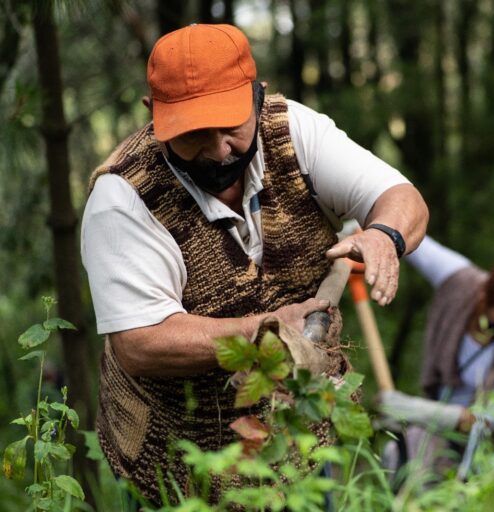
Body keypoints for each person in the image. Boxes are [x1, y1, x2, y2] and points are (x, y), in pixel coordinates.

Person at [81, 23, 427, 504]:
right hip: (171, 464)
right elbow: (141, 342)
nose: (219, 147)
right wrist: (264, 328)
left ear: (257, 96)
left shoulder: (296, 132)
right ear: (154, 116)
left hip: (299, 443)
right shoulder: (122, 199)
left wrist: (385, 234)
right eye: (194, 134)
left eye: (231, 125)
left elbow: (400, 197)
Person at [379, 235, 494, 472]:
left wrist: (412, 409)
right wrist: (366, 230)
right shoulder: (460, 281)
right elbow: (406, 235)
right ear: (486, 299)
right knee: (408, 462)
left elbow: (488, 420)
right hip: (437, 419)